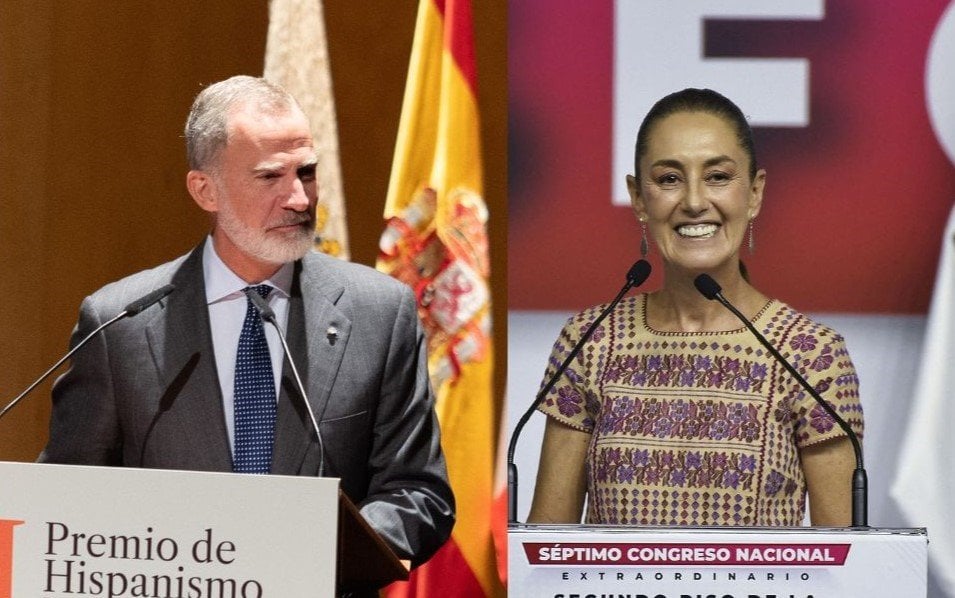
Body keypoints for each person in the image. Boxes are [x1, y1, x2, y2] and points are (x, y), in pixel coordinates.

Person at [40, 76, 454, 571]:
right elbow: (65, 502)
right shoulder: (120, 324)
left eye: (307, 172)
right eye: (269, 178)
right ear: (205, 190)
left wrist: (313, 558)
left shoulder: (379, 313)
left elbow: (417, 491)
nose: (299, 198)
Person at [528, 88, 863, 527]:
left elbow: (846, 564)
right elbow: (545, 547)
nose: (693, 201)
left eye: (718, 177)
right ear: (639, 199)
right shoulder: (590, 341)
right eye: (668, 179)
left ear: (755, 192)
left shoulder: (812, 355)